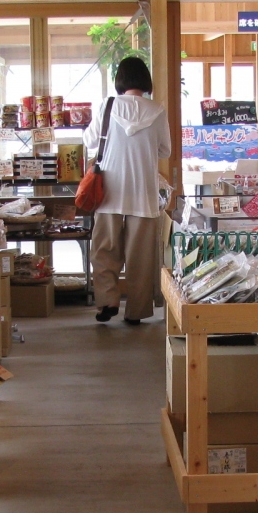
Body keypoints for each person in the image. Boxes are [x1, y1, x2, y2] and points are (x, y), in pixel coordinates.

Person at [84, 56, 171, 325]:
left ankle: (107, 301)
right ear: (146, 80)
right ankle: (136, 311)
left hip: (109, 192)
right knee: (140, 258)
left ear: (119, 80)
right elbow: (165, 150)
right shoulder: (157, 110)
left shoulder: (108, 106)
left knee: (104, 250)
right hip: (144, 194)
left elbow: (89, 140)